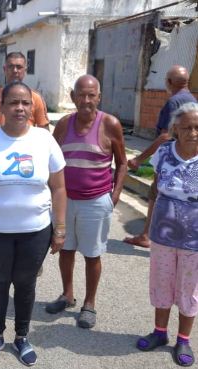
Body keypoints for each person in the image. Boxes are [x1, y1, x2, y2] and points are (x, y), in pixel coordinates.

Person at [0, 81, 67, 365]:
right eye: (13, 102)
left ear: (33, 108)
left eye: (25, 103)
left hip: (35, 231)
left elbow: (58, 187)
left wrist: (60, 227)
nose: (20, 108)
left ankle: (21, 337)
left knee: (26, 283)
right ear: (1, 107)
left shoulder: (45, 140)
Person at [45, 75, 127, 329]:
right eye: (81, 94)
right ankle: (67, 295)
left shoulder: (110, 124)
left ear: (99, 97)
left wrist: (113, 197)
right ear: (73, 97)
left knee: (92, 255)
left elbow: (122, 163)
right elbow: (51, 160)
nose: (86, 100)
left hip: (96, 202)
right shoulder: (63, 125)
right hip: (65, 201)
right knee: (65, 249)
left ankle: (89, 304)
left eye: (92, 95)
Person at [136, 102, 198, 367]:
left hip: (194, 241)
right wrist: (147, 226)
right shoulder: (163, 152)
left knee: (189, 289)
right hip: (162, 236)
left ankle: (183, 339)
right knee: (161, 284)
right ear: (175, 128)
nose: (193, 132)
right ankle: (160, 333)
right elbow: (154, 189)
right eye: (187, 127)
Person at [124, 65, 197, 248]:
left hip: (171, 159)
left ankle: (147, 235)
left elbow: (165, 137)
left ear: (169, 82)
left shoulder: (173, 102)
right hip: (186, 158)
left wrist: (138, 159)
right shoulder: (192, 100)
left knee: (157, 193)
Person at [0, 51, 49, 130]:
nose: (15, 70)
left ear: (25, 70)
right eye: (11, 67)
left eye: (19, 67)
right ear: (4, 69)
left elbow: (45, 132)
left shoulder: (36, 98)